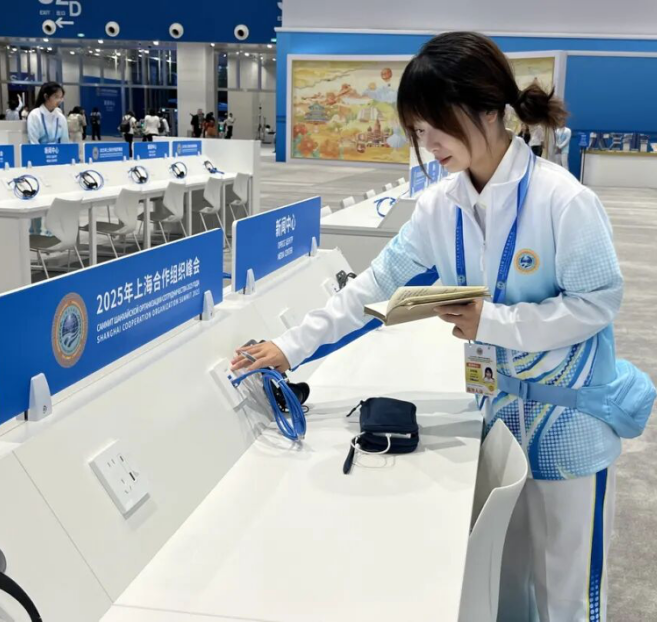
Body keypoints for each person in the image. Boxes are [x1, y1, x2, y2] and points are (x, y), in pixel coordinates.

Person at [232, 31, 630, 622]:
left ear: (489, 110)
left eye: (437, 125)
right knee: (509, 582)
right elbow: (373, 285)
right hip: (497, 412)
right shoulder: (440, 207)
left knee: (566, 594)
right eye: (418, 130)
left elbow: (598, 304)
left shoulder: (562, 201)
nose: (428, 143)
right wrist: (291, 346)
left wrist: (494, 321)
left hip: (568, 422)